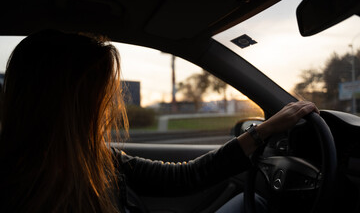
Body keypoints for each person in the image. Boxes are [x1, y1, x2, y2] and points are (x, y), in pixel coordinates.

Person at [0, 30, 319, 213]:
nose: (109, 105)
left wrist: (263, 131)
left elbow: (185, 178)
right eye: (99, 95)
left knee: (253, 203)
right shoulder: (21, 190)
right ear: (70, 103)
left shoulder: (98, 158)